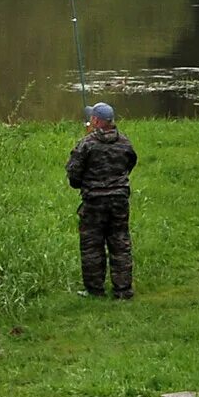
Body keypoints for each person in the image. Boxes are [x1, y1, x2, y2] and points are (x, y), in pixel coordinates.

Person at [67, 100, 137, 299]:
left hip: (94, 203)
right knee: (120, 242)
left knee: (92, 246)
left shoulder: (86, 144)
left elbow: (73, 176)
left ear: (96, 121)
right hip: (119, 201)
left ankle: (94, 290)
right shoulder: (124, 142)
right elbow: (130, 163)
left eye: (92, 118)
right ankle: (123, 290)